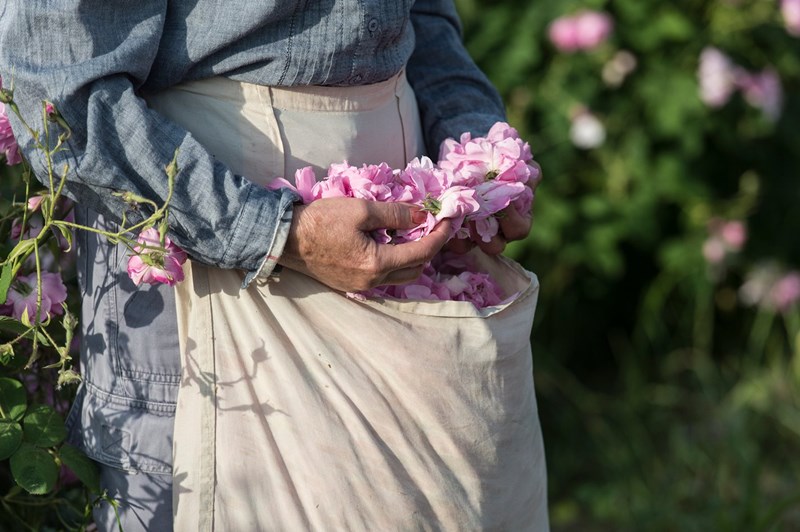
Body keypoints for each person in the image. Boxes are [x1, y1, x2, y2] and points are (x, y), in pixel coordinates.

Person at [0, 1, 540, 530]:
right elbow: (58, 87)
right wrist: (275, 232)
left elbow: (420, 15)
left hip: (405, 260)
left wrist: (478, 149)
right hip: (205, 266)